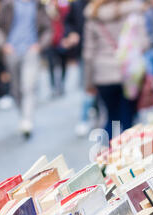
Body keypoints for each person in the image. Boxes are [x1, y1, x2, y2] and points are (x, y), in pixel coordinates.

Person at [83, 0, 148, 141]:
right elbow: (144, 43)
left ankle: (106, 157)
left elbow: (88, 55)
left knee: (111, 118)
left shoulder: (94, 14)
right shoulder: (134, 11)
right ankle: (130, 157)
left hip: (103, 75)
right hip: (129, 74)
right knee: (128, 120)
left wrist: (88, 83)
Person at [0, 0, 52, 139]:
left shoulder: (38, 5)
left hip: (31, 51)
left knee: (29, 87)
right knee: (16, 88)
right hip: (12, 51)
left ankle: (27, 120)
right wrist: (3, 45)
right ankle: (23, 115)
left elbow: (48, 29)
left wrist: (40, 45)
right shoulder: (7, 4)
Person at [62, 0, 97, 137]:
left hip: (105, 56)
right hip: (85, 53)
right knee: (88, 88)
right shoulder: (77, 5)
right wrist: (71, 34)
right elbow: (68, 23)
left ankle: (94, 112)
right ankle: (85, 118)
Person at [45, 0, 70, 98]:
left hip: (62, 40)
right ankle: (53, 86)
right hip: (51, 41)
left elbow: (68, 21)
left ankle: (61, 84)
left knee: (63, 63)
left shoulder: (64, 8)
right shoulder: (47, 9)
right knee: (51, 65)